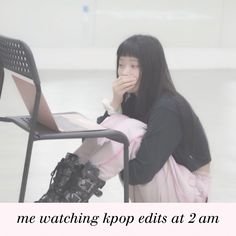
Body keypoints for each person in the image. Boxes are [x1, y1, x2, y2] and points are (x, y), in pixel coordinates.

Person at [37, 35, 211, 203]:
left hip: (190, 193)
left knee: (129, 131)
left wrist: (116, 161)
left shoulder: (168, 107)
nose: (125, 72)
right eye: (121, 65)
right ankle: (57, 194)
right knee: (118, 125)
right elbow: (93, 142)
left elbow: (141, 172)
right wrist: (115, 102)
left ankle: (72, 197)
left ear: (151, 68)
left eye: (134, 66)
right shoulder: (132, 100)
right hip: (163, 183)